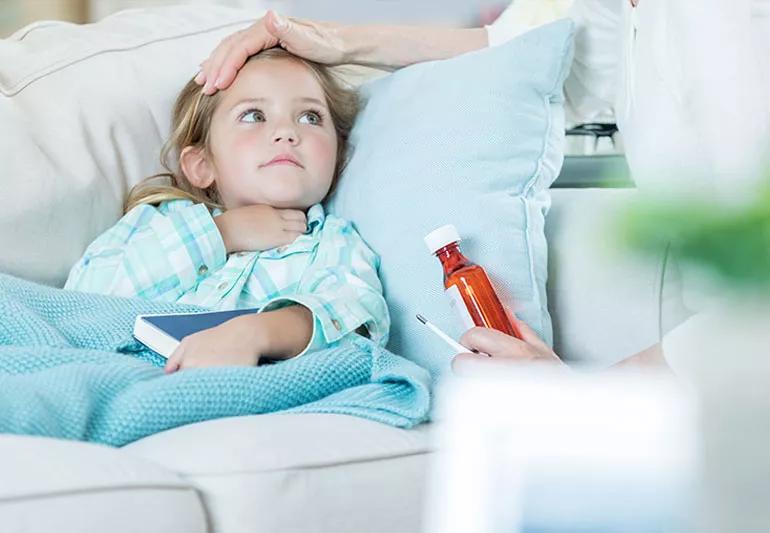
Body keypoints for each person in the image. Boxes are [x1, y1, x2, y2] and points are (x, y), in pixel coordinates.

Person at [193, 1, 768, 371]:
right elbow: (532, 46)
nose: (285, 136)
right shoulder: (627, 12)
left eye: (311, 118)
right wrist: (332, 43)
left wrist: (589, 402)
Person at [65, 47, 389, 373]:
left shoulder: (332, 241)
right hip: (115, 369)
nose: (287, 132)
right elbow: (81, 303)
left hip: (240, 390)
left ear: (338, 153)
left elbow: (357, 317)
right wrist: (221, 234)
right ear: (202, 165)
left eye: (310, 117)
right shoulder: (157, 220)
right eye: (254, 116)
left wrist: (255, 333)